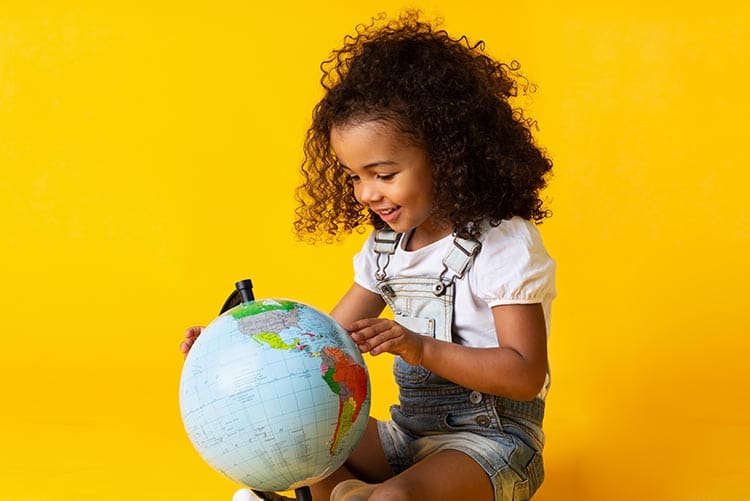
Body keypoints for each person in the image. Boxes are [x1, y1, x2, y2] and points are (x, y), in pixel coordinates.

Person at [182, 11, 555, 501]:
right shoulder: (384, 251)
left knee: (394, 498)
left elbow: (525, 375)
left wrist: (421, 348)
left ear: (446, 154)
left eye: (382, 173)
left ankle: (365, 495)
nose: (366, 193)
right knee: (298, 435)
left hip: (490, 446)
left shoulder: (503, 245)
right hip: (406, 439)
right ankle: (344, 492)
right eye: (354, 176)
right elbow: (322, 347)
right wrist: (236, 343)